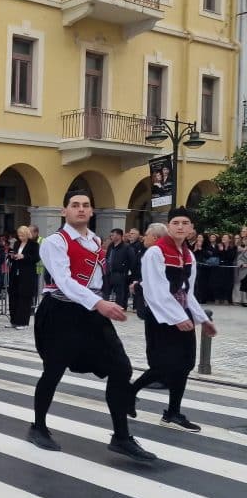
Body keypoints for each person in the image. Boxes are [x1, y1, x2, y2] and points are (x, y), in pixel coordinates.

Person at [28, 191, 155, 461]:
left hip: (93, 312)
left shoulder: (96, 240)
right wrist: (99, 304)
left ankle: (121, 436)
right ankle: (38, 426)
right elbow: (63, 281)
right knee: (53, 371)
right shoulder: (54, 242)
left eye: (86, 205)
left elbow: (97, 278)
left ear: (92, 211)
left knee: (121, 368)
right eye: (75, 205)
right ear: (65, 211)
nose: (81, 210)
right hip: (61, 311)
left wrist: (103, 302)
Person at [129, 208, 216, 432]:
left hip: (182, 313)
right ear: (168, 226)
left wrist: (201, 318)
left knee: (185, 364)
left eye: (184, 222)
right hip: (161, 316)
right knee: (163, 365)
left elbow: (188, 292)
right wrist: (176, 317)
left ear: (190, 229)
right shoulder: (155, 253)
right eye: (175, 222)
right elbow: (154, 291)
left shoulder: (188, 255)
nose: (180, 226)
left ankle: (173, 413)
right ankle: (129, 392)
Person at [7, 226, 40, 328]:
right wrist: (12, 256)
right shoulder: (17, 243)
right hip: (15, 273)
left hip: (27, 274)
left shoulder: (34, 244)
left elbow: (36, 258)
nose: (20, 237)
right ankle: (14, 321)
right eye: (19, 235)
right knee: (13, 296)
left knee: (24, 297)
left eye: (22, 235)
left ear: (27, 234)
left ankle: (23, 322)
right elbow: (12, 255)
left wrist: (24, 256)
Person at [105, 229, 135, 310]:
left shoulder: (127, 247)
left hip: (120, 273)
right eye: (111, 235)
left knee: (120, 293)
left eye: (113, 235)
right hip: (109, 272)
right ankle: (105, 307)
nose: (111, 236)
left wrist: (130, 274)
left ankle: (119, 308)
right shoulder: (111, 246)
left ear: (119, 236)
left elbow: (132, 261)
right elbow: (107, 257)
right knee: (106, 291)